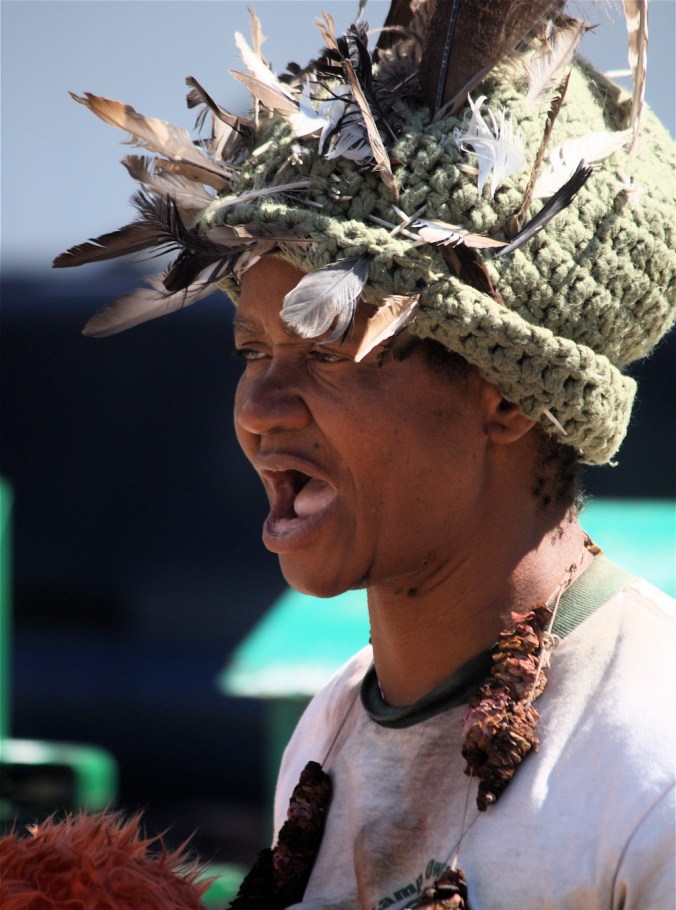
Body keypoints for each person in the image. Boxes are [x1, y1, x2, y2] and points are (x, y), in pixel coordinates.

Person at [54, 1, 674, 907]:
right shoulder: (331, 727)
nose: (260, 409)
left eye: (329, 350)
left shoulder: (650, 753)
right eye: (252, 350)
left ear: (505, 394)